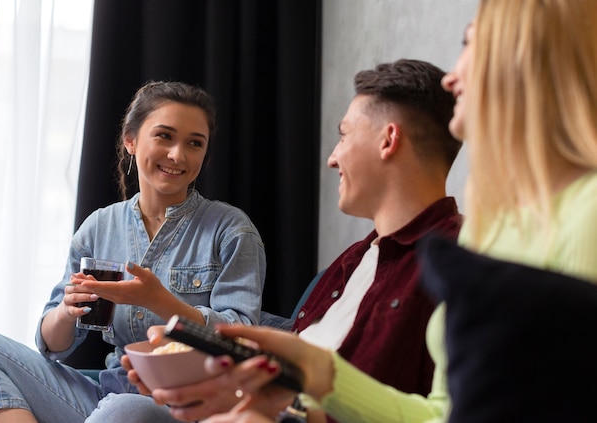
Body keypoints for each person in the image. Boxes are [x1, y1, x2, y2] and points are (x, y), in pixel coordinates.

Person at [166, 0, 597, 422]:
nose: (453, 76)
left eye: (472, 44)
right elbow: (442, 414)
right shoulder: (499, 229)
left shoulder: (584, 216)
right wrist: (313, 376)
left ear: (523, 56)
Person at [122, 59, 463, 423]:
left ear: (388, 140)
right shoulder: (353, 260)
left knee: (124, 412)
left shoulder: (457, 267)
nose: (333, 157)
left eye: (344, 134)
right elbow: (296, 397)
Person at [0, 80, 267, 423]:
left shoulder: (231, 230)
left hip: (183, 407)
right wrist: (67, 311)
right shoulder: (99, 227)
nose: (177, 155)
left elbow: (243, 342)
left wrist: (161, 302)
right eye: (164, 136)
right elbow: (52, 345)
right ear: (131, 141)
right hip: (103, 396)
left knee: (125, 409)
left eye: (194, 143)